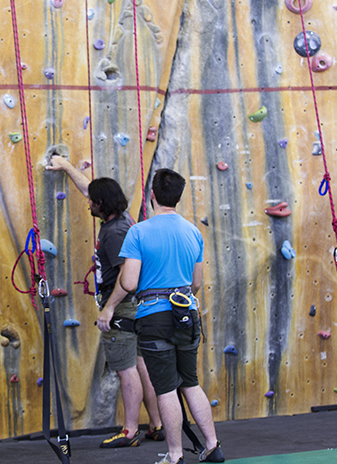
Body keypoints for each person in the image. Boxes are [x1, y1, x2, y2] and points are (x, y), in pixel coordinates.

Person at [46, 154, 163, 448]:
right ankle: (158, 424)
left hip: (123, 305)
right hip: (137, 306)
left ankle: (130, 431)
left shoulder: (114, 233)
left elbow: (127, 276)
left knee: (126, 370)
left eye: (93, 202)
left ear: (102, 205)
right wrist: (67, 166)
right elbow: (90, 190)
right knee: (140, 365)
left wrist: (108, 309)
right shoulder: (121, 218)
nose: (88, 204)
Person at [118, 168, 225, 464]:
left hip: (155, 317)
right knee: (190, 382)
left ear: (152, 195)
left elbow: (128, 282)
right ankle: (213, 445)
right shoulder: (193, 232)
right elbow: (196, 283)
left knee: (165, 388)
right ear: (178, 197)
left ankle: (175, 454)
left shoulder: (138, 232)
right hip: (187, 313)